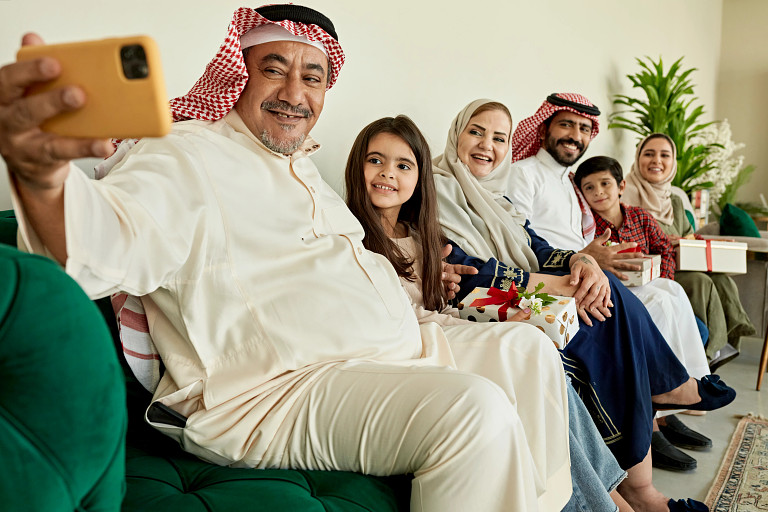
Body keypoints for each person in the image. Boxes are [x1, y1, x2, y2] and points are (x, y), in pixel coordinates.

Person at [0, 6, 573, 511]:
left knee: (528, 350)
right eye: (273, 68)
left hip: (395, 349)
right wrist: (41, 177)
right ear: (238, 73)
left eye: (312, 76)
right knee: (471, 412)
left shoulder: (302, 167)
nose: (294, 94)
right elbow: (106, 246)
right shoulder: (183, 153)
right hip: (272, 393)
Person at [432, 98, 731, 512]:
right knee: (601, 320)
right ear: (456, 135)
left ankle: (642, 478)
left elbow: (536, 245)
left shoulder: (497, 200)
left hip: (532, 292)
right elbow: (467, 271)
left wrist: (580, 261)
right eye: (476, 132)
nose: (488, 145)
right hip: (485, 304)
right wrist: (561, 282)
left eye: (499, 137)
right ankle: (642, 480)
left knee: (605, 291)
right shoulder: (432, 191)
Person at [343, 114, 630, 512]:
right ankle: (603, 504)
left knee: (544, 357)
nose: (387, 173)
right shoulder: (347, 233)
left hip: (445, 324)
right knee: (529, 351)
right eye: (375, 161)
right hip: (412, 343)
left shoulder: (425, 233)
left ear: (417, 176)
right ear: (356, 165)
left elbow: (513, 262)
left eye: (403, 165)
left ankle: (611, 496)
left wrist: (441, 288)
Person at [505, 93, 713, 473]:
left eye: (584, 129)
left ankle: (671, 406)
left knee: (671, 289)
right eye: (566, 125)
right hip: (557, 275)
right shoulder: (523, 173)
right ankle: (650, 421)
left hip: (585, 268)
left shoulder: (569, 182)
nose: (575, 135)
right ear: (547, 127)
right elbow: (518, 241)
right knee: (660, 303)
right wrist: (584, 256)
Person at [573, 155, 718, 472]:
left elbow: (664, 248)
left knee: (673, 291)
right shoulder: (591, 229)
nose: (599, 192)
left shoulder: (637, 216)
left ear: (621, 186)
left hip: (646, 282)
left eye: (605, 184)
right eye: (590, 188)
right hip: (616, 289)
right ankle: (658, 413)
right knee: (661, 304)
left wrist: (657, 274)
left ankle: (678, 398)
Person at [622, 133, 756, 369]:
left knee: (721, 279)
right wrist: (664, 243)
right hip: (655, 272)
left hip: (682, 263)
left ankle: (719, 344)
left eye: (665, 155)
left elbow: (689, 235)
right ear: (638, 158)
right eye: (649, 154)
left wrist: (684, 240)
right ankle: (704, 355)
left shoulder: (673, 200)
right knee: (699, 281)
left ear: (673, 162)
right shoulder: (625, 195)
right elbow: (625, 241)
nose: (657, 161)